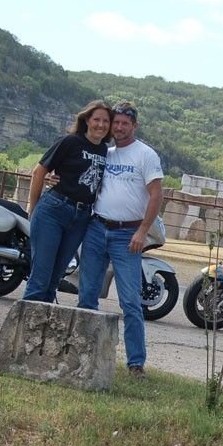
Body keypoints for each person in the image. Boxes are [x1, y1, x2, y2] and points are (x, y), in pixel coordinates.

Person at [78, 101, 163, 379]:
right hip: (97, 227)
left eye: (125, 123)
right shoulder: (105, 153)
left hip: (127, 234)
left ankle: (135, 363)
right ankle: (85, 352)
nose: (119, 127)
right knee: (88, 293)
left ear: (134, 126)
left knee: (130, 301)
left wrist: (142, 231)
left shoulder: (145, 155)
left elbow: (156, 195)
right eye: (116, 122)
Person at [22, 100, 112, 303]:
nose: (101, 125)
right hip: (54, 209)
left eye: (105, 121)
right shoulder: (70, 142)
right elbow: (39, 171)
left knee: (55, 278)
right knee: (40, 279)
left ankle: (45, 329)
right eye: (96, 119)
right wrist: (33, 206)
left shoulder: (106, 151)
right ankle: (26, 331)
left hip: (81, 217)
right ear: (87, 120)